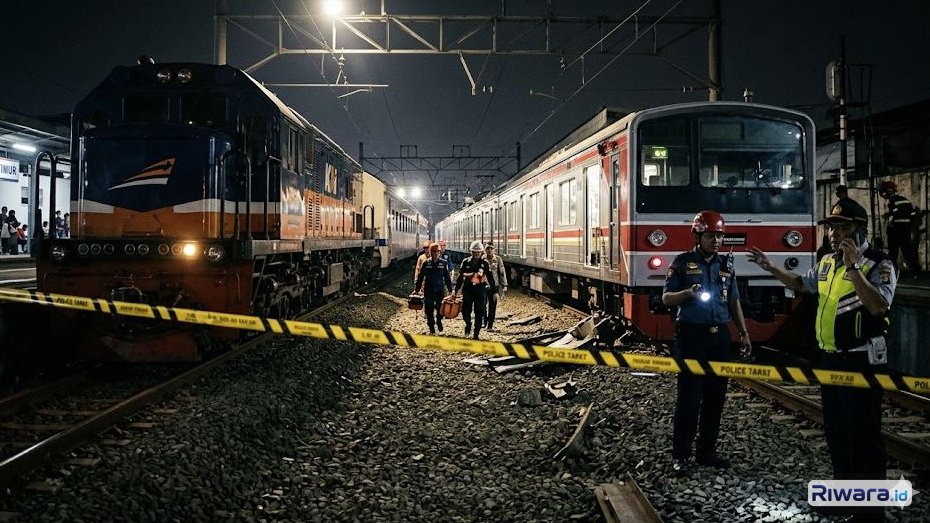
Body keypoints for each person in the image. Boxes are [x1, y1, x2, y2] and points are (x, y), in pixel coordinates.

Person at [749, 198, 895, 523]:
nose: (832, 233)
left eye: (841, 227)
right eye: (830, 227)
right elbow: (802, 285)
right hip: (830, 361)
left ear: (859, 231)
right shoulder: (828, 262)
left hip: (861, 363)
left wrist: (855, 267)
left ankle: (872, 513)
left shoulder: (879, 264)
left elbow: (879, 306)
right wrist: (770, 268)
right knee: (838, 435)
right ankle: (845, 501)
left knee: (865, 437)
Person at [662, 210, 751, 475]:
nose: (716, 241)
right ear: (698, 236)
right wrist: (687, 293)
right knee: (689, 399)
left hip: (719, 338)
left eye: (720, 236)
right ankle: (681, 455)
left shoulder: (726, 266)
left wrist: (743, 333)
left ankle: (706, 452)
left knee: (715, 398)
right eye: (711, 236)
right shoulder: (681, 263)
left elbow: (733, 301)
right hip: (692, 337)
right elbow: (666, 298)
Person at [455, 240, 497, 340]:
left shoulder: (484, 263)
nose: (476, 254)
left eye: (478, 252)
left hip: (480, 291)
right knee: (465, 311)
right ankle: (468, 324)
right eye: (474, 252)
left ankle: (476, 333)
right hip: (468, 290)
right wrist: (456, 290)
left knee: (480, 312)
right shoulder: (466, 262)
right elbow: (460, 277)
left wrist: (494, 292)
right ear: (471, 252)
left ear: (481, 252)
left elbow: (490, 278)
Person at [878, 180, 920, 274]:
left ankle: (892, 272)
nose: (883, 194)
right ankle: (916, 272)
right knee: (907, 252)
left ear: (889, 190)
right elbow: (912, 214)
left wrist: (889, 220)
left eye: (884, 191)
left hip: (896, 229)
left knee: (893, 252)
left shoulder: (893, 201)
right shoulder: (904, 200)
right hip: (906, 229)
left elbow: (894, 215)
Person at [414, 243, 454, 334]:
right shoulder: (426, 263)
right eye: (434, 252)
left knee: (440, 308)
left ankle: (439, 321)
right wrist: (417, 289)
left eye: (438, 252)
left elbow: (447, 277)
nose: (436, 254)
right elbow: (421, 277)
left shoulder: (443, 263)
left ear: (440, 253)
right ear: (430, 252)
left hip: (440, 289)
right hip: (429, 290)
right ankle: (431, 326)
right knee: (429, 309)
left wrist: (451, 290)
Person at [483, 242, 508, 331]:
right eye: (487, 249)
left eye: (491, 249)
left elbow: (502, 272)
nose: (489, 250)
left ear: (494, 250)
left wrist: (504, 285)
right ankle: (484, 322)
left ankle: (490, 325)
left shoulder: (498, 259)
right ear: (485, 250)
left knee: (492, 306)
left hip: (495, 287)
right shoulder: (482, 259)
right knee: (482, 305)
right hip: (483, 285)